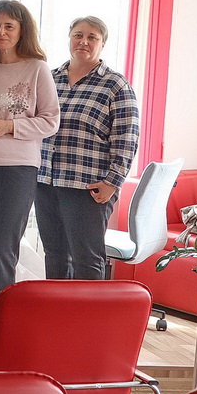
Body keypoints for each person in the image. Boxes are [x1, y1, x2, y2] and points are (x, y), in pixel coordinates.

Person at [0, 0, 60, 345]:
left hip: (17, 170)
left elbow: (50, 120)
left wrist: (7, 126)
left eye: (8, 26)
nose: (1, 32)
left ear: (21, 31)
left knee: (1, 249)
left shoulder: (37, 69)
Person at [36, 16, 139, 280]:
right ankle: (57, 305)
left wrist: (113, 182)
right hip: (45, 182)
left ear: (103, 44)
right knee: (54, 254)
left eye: (92, 37)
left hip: (89, 187)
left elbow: (127, 138)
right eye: (78, 35)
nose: (83, 42)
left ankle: (88, 308)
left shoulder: (115, 85)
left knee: (87, 258)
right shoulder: (49, 78)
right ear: (69, 38)